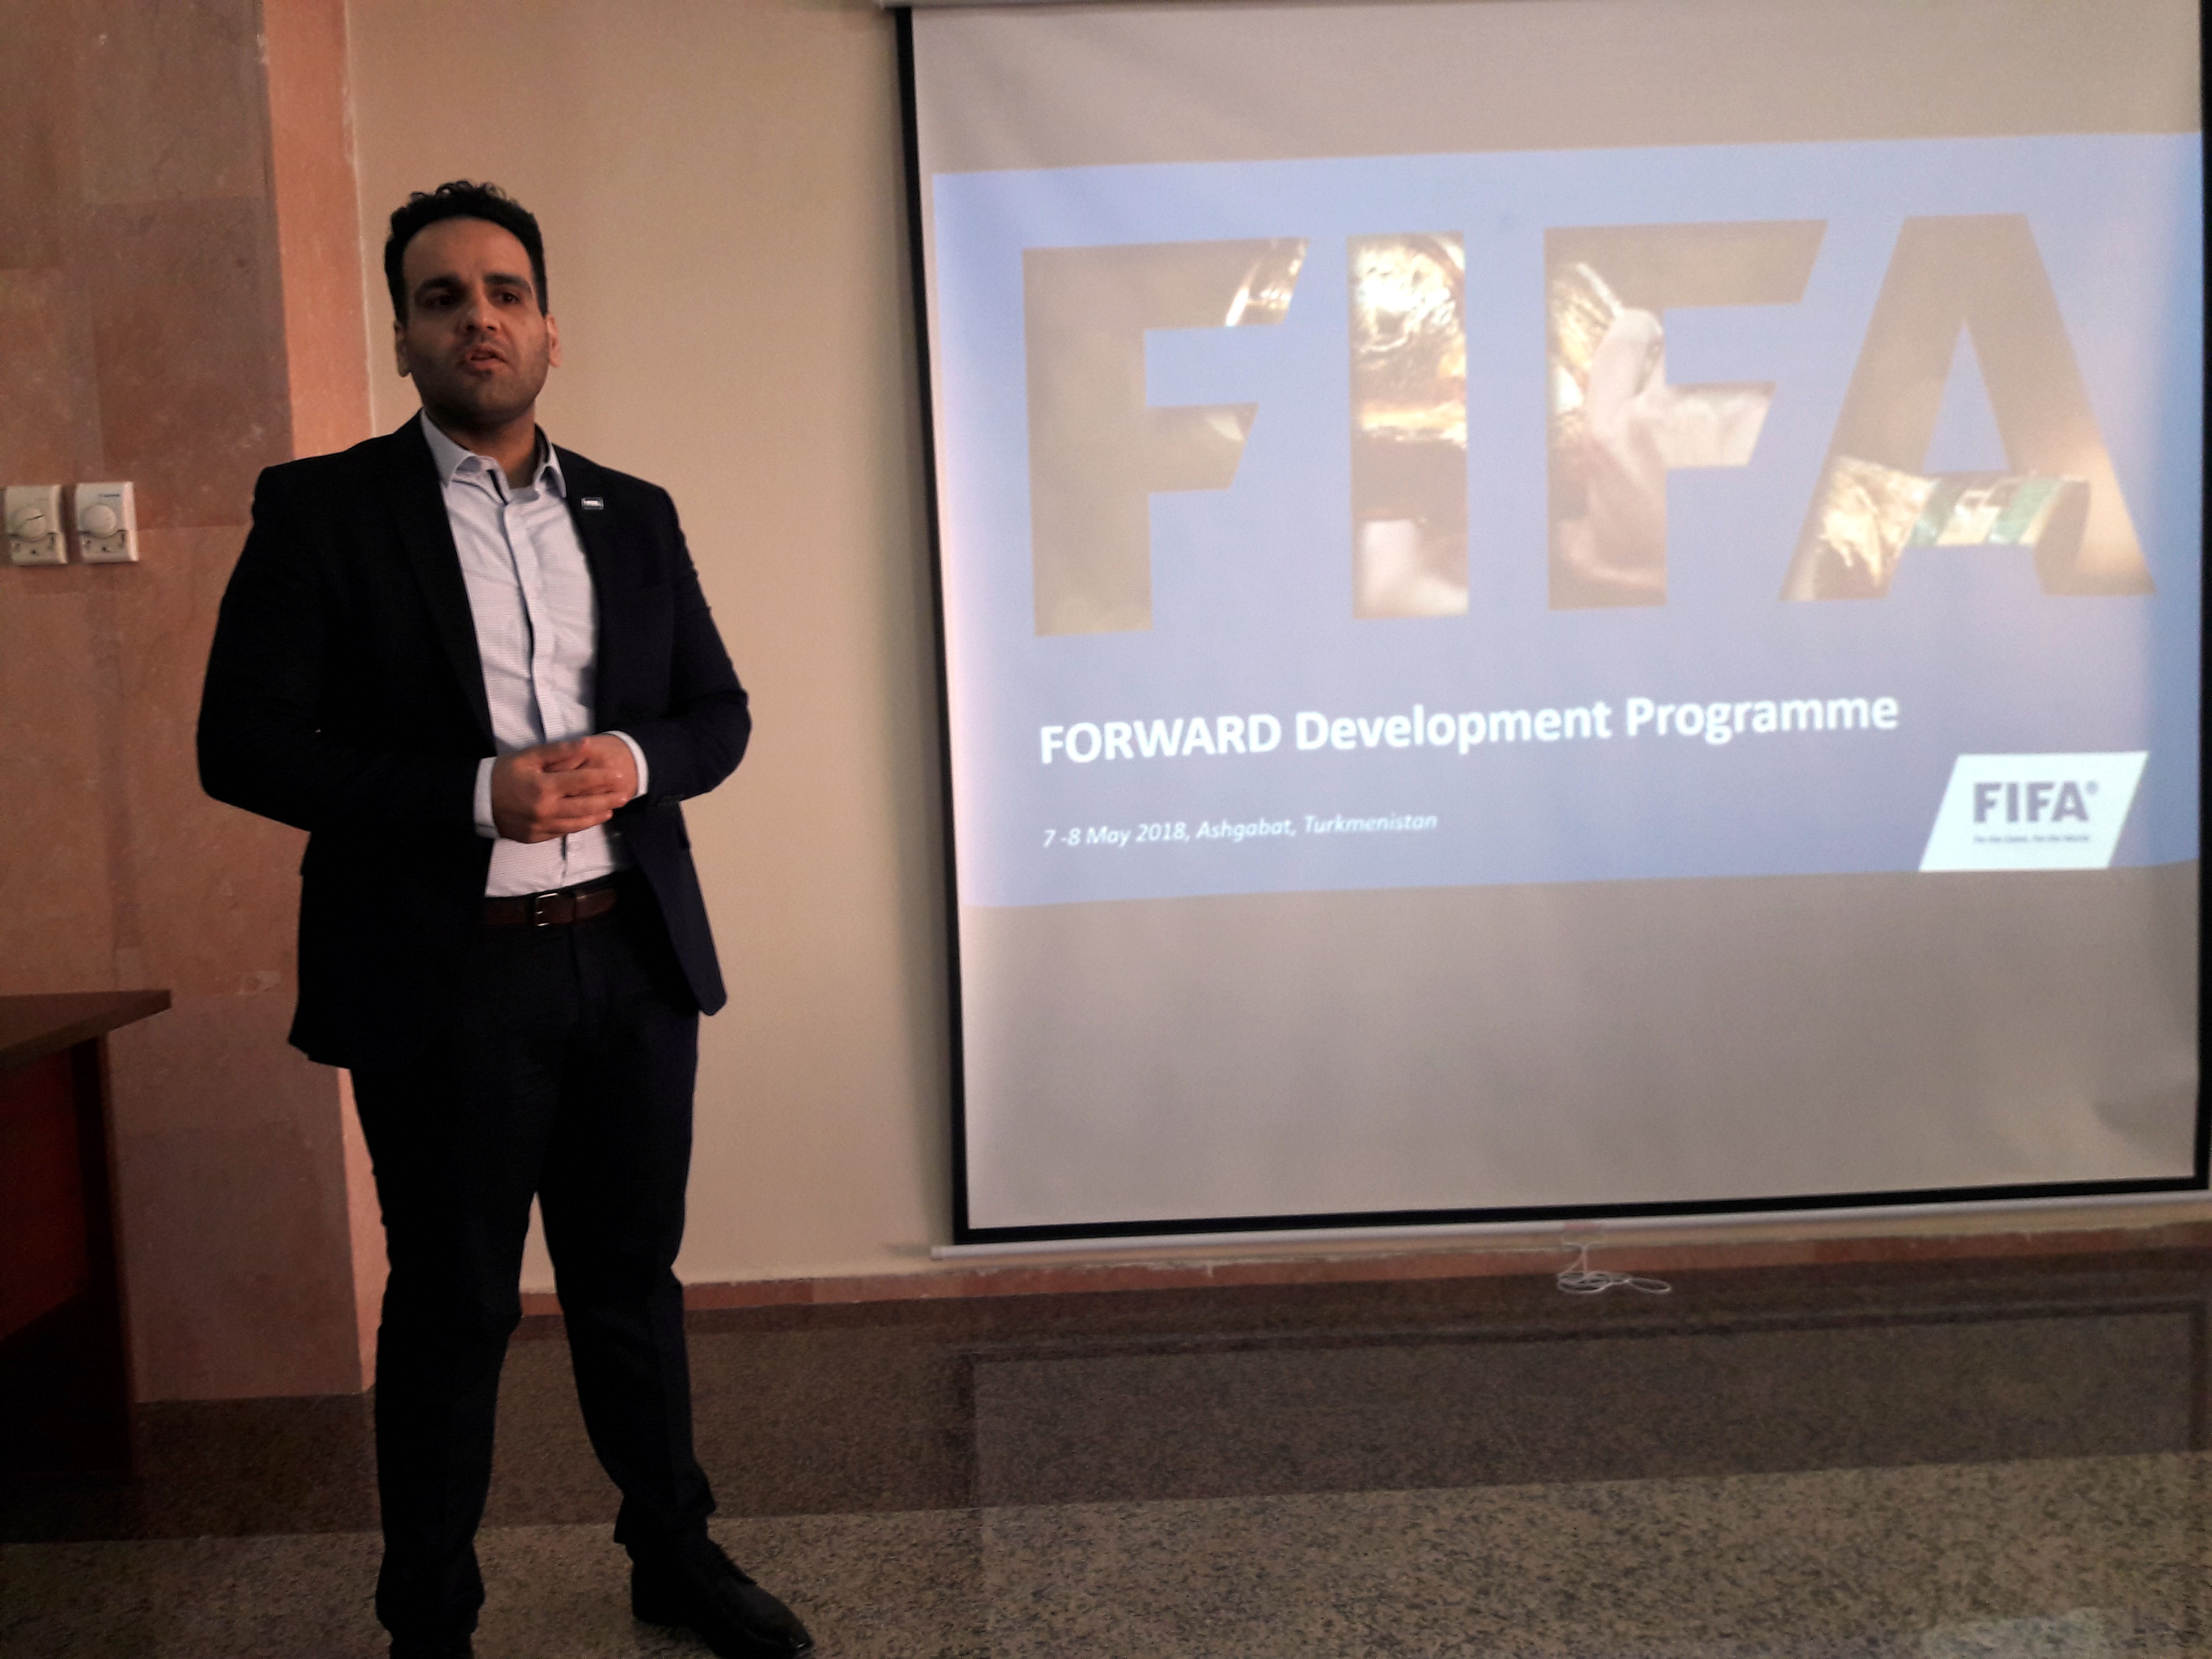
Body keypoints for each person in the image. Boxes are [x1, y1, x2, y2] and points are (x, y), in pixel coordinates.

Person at [198, 181, 812, 1659]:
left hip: (629, 959)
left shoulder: (635, 514)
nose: (479, 318)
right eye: (443, 297)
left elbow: (719, 713)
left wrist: (640, 763)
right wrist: (473, 796)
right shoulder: (323, 512)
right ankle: (429, 1611)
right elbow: (245, 747)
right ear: (404, 336)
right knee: (453, 1301)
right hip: (443, 979)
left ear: (549, 329)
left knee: (630, 1286)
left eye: (505, 291)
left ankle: (672, 1554)